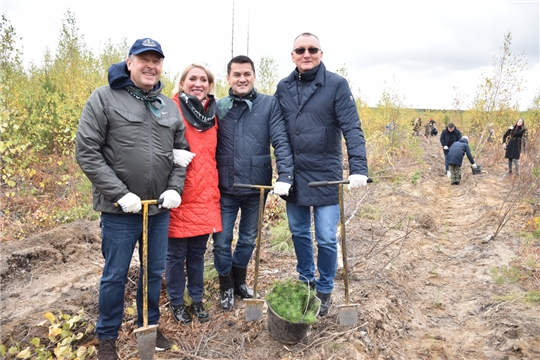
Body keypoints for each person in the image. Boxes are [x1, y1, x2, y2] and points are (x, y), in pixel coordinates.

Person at [76, 38, 188, 360]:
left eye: (157, 60)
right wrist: (120, 193)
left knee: (153, 273)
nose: (151, 65)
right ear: (129, 63)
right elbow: (87, 152)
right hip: (119, 211)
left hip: (158, 210)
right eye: (144, 59)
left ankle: (149, 325)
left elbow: (181, 156)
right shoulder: (104, 98)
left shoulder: (168, 106)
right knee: (115, 274)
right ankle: (107, 337)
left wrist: (174, 189)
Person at [274, 32, 369, 316]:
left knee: (326, 237)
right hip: (295, 176)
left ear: (321, 53)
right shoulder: (283, 87)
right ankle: (306, 281)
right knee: (299, 233)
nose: (306, 54)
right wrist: (282, 173)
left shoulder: (336, 85)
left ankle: (325, 287)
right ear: (292, 55)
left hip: (326, 176)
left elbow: (352, 127)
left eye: (312, 49)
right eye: (300, 50)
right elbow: (278, 133)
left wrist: (359, 168)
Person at [213, 55, 294, 311]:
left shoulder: (269, 104)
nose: (242, 79)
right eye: (236, 74)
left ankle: (239, 282)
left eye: (246, 73)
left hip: (256, 188)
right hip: (224, 187)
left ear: (254, 76)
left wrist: (285, 175)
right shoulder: (218, 107)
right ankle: (225, 285)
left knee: (248, 238)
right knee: (222, 241)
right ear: (228, 78)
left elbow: (280, 141)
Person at [166, 64, 221, 325]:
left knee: (198, 254)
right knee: (176, 255)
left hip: (206, 194)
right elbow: (153, 145)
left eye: (203, 79)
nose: (198, 83)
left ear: (209, 85)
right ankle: (176, 302)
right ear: (182, 82)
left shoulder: (212, 114)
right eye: (192, 78)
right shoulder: (170, 108)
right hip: (180, 193)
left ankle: (196, 299)